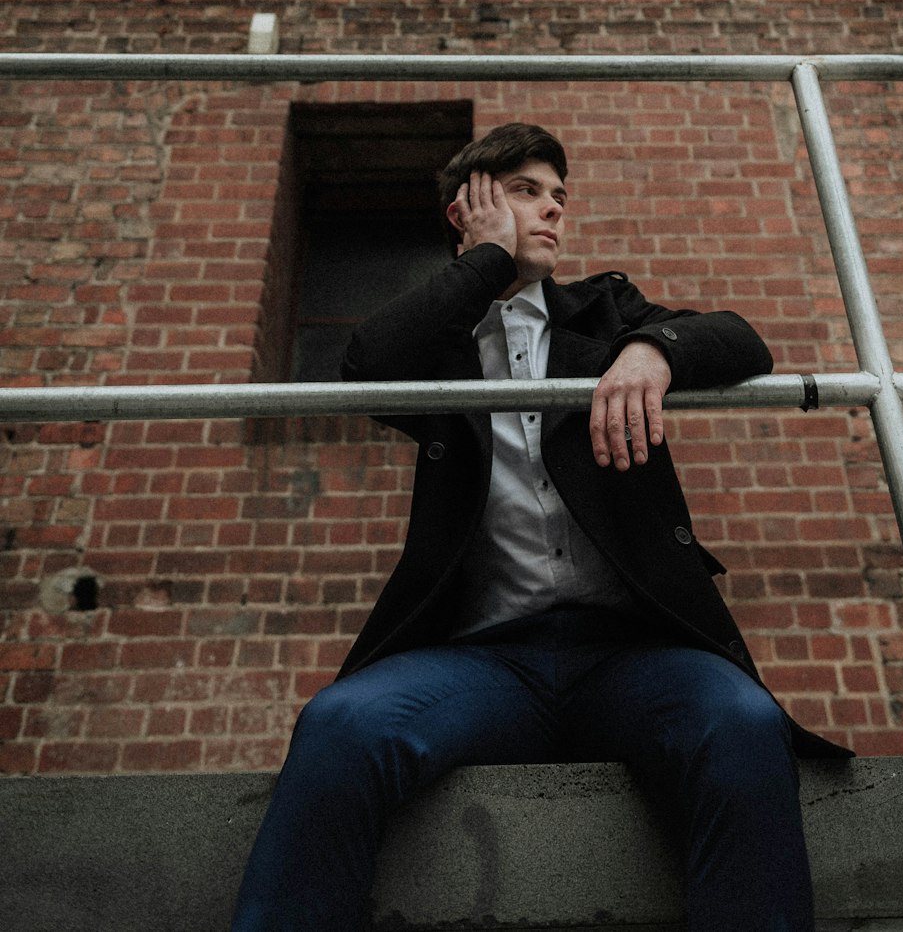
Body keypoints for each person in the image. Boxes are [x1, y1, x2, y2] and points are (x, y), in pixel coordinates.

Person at [230, 123, 850, 932]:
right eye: (526, 193)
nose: (553, 210)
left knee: (741, 724)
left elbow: (741, 338)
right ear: (467, 208)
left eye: (559, 196)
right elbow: (364, 368)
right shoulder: (436, 340)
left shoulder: (602, 309)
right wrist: (487, 262)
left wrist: (650, 352)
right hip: (485, 663)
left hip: (635, 655)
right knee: (341, 725)